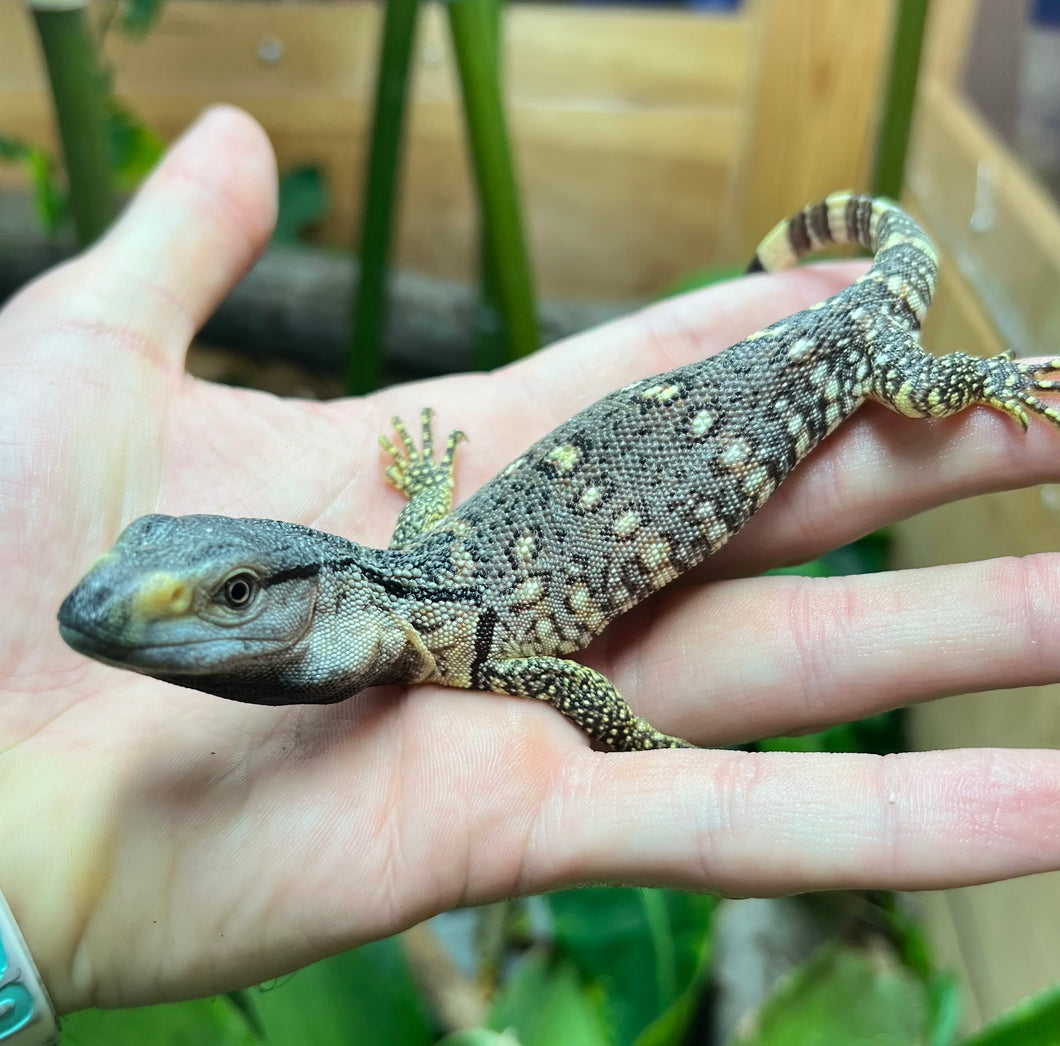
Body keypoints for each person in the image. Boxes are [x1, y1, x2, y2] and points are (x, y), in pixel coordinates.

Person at [2, 107, 1059, 1016]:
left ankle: (970, 360)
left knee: (922, 399)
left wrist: (632, 740)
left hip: (850, 344)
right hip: (761, 369)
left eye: (232, 595)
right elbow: (463, 584)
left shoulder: (480, 642)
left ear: (316, 594)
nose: (203, 613)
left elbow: (575, 687)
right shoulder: (444, 610)